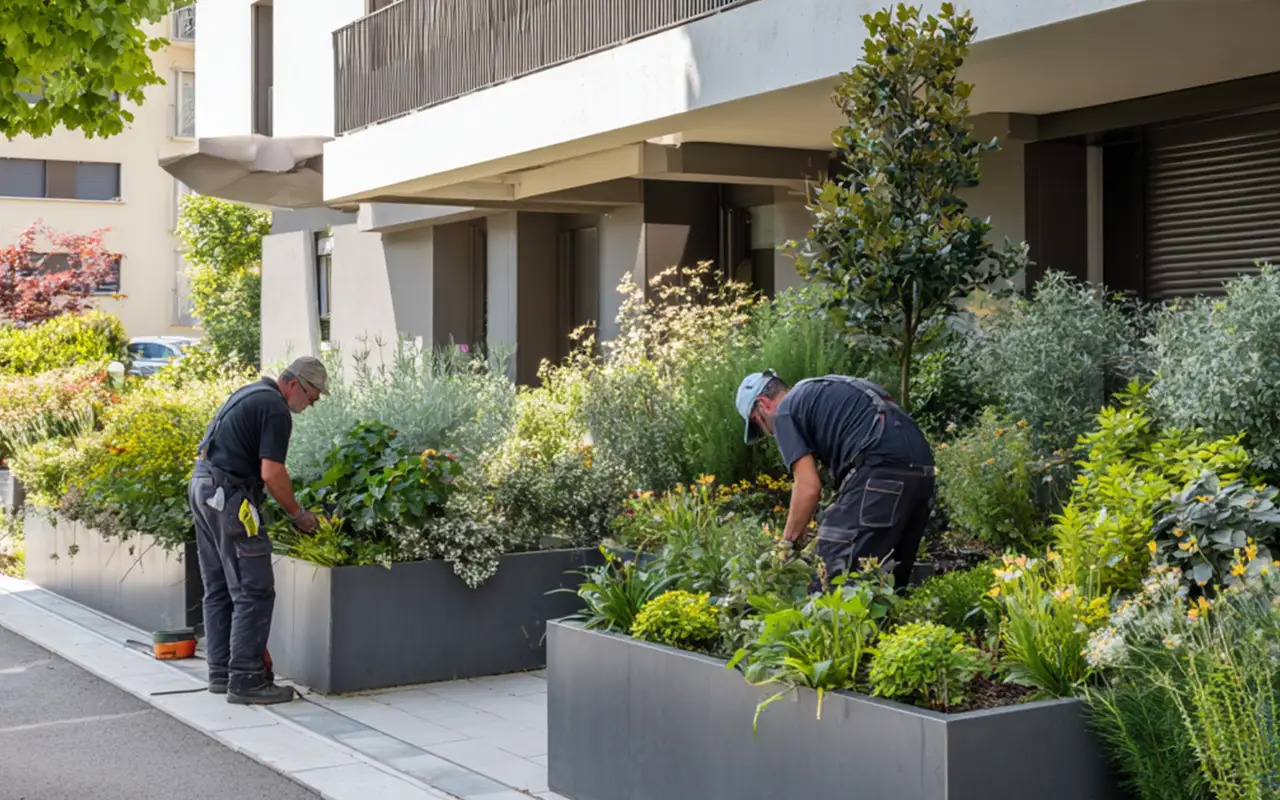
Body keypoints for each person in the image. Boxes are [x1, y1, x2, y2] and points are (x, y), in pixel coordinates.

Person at [188, 356, 327, 705]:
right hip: (230, 496)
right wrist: (299, 514)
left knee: (219, 586)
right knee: (255, 589)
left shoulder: (250, 393)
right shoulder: (275, 408)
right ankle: (247, 679)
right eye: (312, 397)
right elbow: (272, 473)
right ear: (294, 384)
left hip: (204, 488)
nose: (311, 405)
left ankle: (222, 672)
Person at [736, 370, 935, 592]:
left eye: (757, 423)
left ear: (763, 404)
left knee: (832, 576)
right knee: (888, 582)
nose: (768, 432)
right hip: (922, 469)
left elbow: (808, 487)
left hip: (879, 468)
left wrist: (786, 544)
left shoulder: (785, 412)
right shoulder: (818, 391)